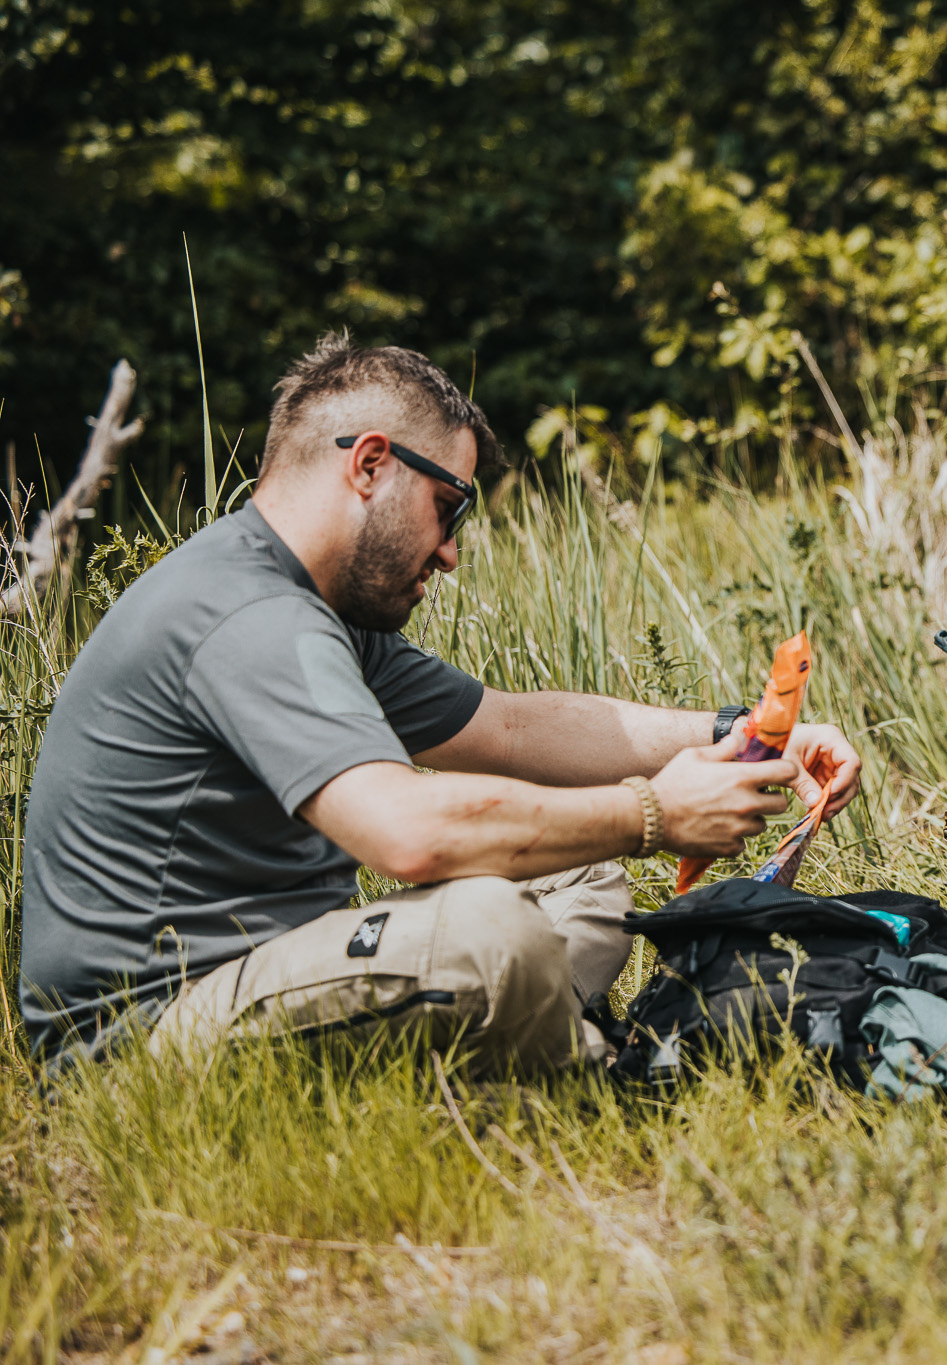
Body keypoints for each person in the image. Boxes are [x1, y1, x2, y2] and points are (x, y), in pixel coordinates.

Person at [18, 335, 862, 1073]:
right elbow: (411, 836)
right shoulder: (248, 615)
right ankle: (592, 1066)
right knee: (487, 926)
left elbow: (513, 727)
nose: (452, 552)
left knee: (573, 863)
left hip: (254, 974)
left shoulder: (319, 612)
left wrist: (745, 733)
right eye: (450, 505)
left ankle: (522, 1030)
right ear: (371, 464)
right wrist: (655, 812)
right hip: (135, 1040)